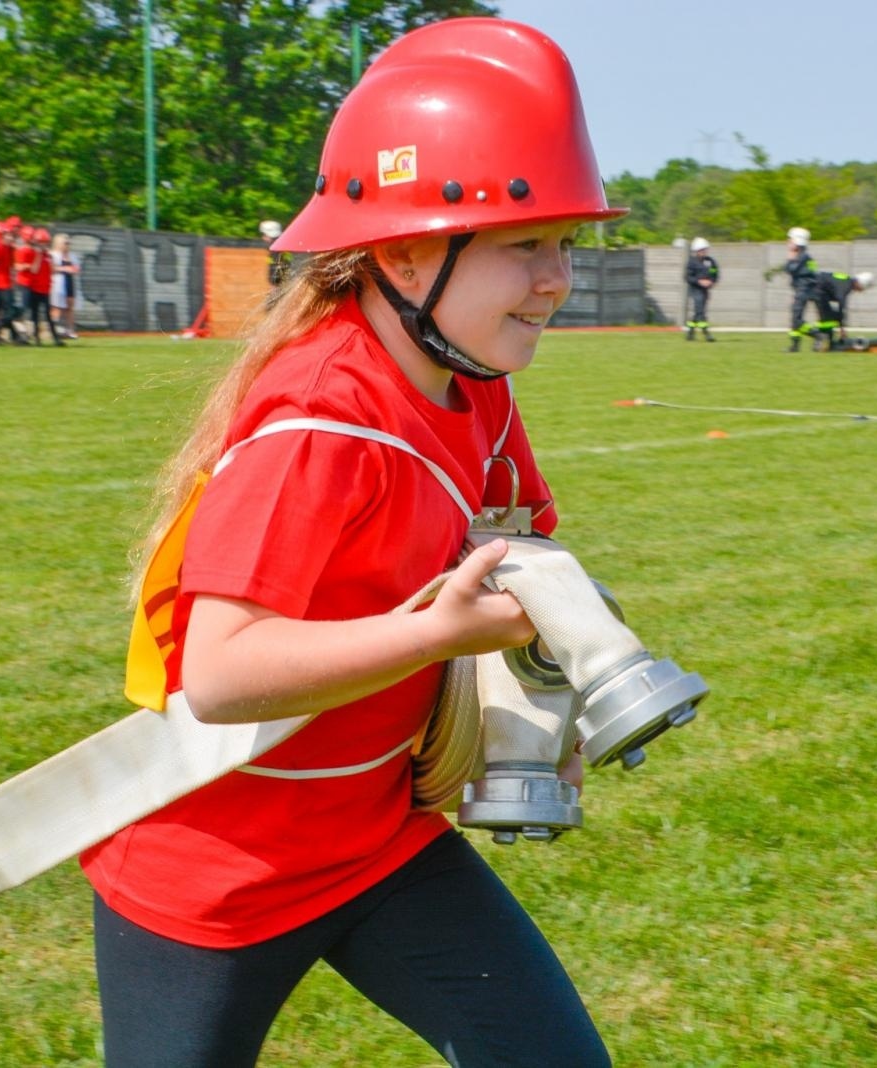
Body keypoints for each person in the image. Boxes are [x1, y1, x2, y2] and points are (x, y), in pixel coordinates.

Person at [82, 18, 618, 1068]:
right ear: (407, 251)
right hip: (215, 876)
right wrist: (438, 635)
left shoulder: (471, 385)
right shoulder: (320, 422)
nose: (557, 277)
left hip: (375, 840)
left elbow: (519, 552)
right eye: (525, 244)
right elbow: (220, 676)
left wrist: (547, 707)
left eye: (566, 243)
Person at [808, 270, 873, 351]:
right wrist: (842, 328)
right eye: (861, 288)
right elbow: (841, 305)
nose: (860, 291)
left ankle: (829, 343)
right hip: (817, 290)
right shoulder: (846, 286)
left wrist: (841, 323)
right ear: (859, 283)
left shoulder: (847, 282)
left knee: (830, 317)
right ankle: (821, 342)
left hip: (819, 289)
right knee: (828, 318)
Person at [0, 217, 24, 344]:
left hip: (7, 284)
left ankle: (13, 336)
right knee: (11, 311)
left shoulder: (8, 248)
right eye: (8, 235)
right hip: (1, 285)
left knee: (8, 311)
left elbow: (12, 266)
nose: (11, 237)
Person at [27, 227, 65, 346]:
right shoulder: (34, 254)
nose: (43, 245)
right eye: (41, 243)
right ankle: (36, 338)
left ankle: (55, 338)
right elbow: (34, 270)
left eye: (45, 243)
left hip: (45, 289)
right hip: (35, 289)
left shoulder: (48, 256)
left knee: (49, 315)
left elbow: (52, 270)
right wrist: (39, 255)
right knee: (35, 314)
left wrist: (50, 259)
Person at [784, 226, 817, 351]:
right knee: (795, 318)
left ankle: (818, 335)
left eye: (790, 240)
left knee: (797, 319)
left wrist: (790, 257)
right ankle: (794, 346)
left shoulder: (802, 256)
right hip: (801, 290)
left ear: (797, 241)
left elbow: (790, 269)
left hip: (803, 290)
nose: (788, 242)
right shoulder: (804, 256)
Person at [683, 236, 718, 341]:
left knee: (699, 311)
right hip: (695, 289)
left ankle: (690, 332)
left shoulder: (710, 261)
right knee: (700, 311)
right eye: (701, 250)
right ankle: (707, 334)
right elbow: (688, 277)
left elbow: (714, 273)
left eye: (705, 249)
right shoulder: (691, 262)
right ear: (696, 251)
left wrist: (711, 281)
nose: (704, 251)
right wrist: (699, 281)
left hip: (705, 290)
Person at [50, 232, 82, 339]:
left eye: (68, 243)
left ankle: (70, 330)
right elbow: (51, 269)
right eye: (65, 243)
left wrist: (75, 269)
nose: (67, 245)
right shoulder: (53, 255)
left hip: (70, 281)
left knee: (70, 307)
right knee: (57, 307)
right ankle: (54, 329)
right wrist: (64, 269)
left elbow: (77, 268)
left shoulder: (72, 256)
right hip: (57, 283)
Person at [260, 219, 289, 286]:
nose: (263, 238)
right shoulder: (278, 248)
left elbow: (277, 273)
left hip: (279, 285)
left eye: (264, 235)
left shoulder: (277, 251)